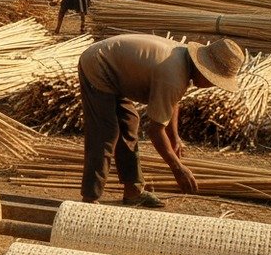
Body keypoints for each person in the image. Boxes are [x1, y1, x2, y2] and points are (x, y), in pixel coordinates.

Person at [77, 33, 244, 207]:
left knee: (129, 123)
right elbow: (155, 130)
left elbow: (172, 101)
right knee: (106, 133)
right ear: (205, 72)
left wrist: (175, 137)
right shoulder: (173, 74)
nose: (213, 85)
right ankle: (89, 198)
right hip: (98, 65)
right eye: (214, 80)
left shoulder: (183, 61)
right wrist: (178, 168)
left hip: (113, 66)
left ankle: (133, 192)